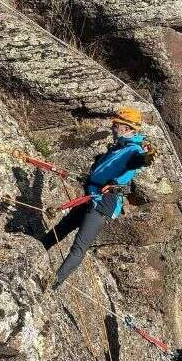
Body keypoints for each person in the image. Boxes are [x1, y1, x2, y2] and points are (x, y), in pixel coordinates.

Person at [40, 106, 155, 290]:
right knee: (62, 228)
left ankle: (53, 283)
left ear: (127, 128)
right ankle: (36, 249)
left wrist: (146, 158)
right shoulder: (119, 147)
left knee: (79, 246)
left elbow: (138, 160)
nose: (112, 128)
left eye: (116, 125)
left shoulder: (133, 149)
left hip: (103, 202)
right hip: (92, 194)